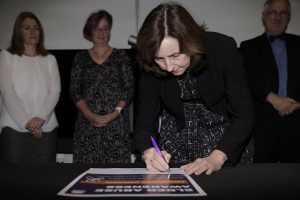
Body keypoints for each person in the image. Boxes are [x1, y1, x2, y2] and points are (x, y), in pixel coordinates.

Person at [133, 2, 254, 176]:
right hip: (177, 143)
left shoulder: (222, 48)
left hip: (226, 142)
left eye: (175, 55)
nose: (168, 67)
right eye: (160, 58)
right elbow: (144, 124)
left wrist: (217, 157)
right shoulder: (152, 65)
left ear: (191, 42)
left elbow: (244, 114)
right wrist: (148, 151)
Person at [69, 10, 135, 164]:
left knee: (116, 178)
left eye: (105, 28)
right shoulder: (80, 57)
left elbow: (129, 89)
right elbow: (74, 92)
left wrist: (114, 114)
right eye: (97, 28)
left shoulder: (121, 56)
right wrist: (91, 116)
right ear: (90, 31)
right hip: (87, 126)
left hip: (116, 126)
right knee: (86, 179)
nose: (101, 32)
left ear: (110, 31)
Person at [240, 0, 300, 162]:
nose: (278, 17)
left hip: (296, 124)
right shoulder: (247, 47)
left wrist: (293, 104)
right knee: (261, 180)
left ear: (289, 18)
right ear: (264, 16)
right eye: (273, 12)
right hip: (262, 127)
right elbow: (246, 80)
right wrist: (273, 99)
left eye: (284, 13)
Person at [0, 11, 61, 163]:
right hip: (14, 128)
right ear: (18, 31)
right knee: (14, 182)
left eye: (36, 28)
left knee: (45, 182)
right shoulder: (6, 56)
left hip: (46, 129)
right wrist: (27, 122)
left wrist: (40, 118)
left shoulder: (49, 59)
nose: (33, 32)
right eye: (27, 28)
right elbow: (8, 92)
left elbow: (55, 91)